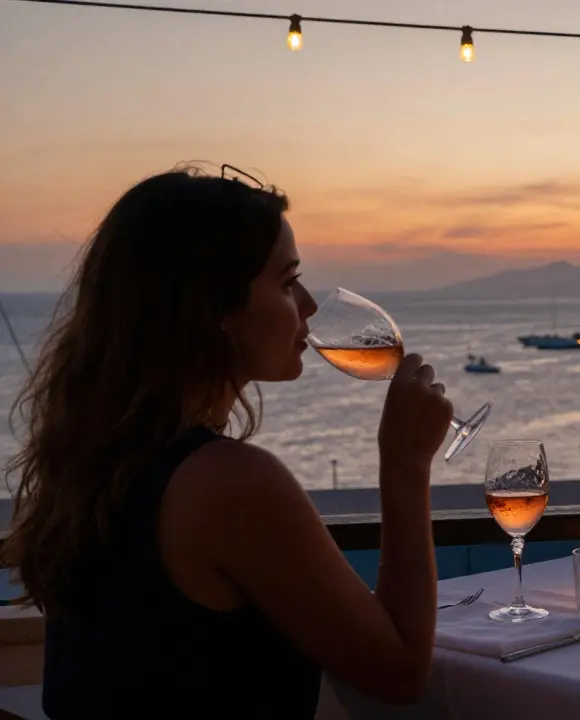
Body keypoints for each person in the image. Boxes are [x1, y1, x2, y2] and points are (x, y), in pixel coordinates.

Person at [1, 168, 452, 716]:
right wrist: (405, 466)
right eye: (287, 282)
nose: (309, 306)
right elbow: (400, 672)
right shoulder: (229, 483)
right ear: (215, 308)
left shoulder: (97, 463)